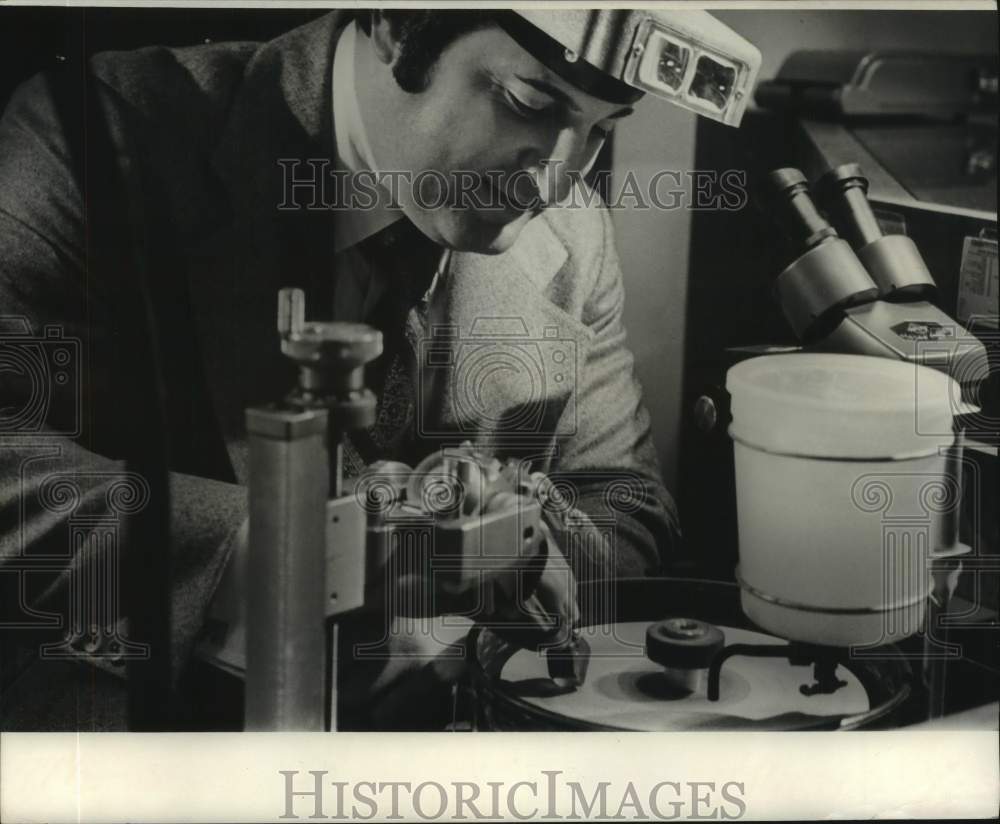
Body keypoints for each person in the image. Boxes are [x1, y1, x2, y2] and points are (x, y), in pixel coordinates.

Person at [0, 9, 757, 730]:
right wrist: (324, 561)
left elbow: (627, 502)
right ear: (398, 25)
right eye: (529, 101)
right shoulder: (89, 135)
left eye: (598, 131)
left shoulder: (573, 228)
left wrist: (515, 551)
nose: (555, 181)